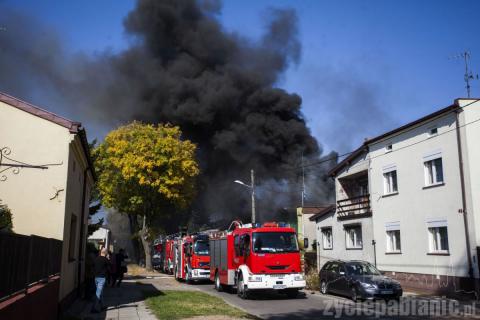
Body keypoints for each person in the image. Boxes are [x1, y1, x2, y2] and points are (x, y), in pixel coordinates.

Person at [91, 248, 110, 313]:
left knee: (100, 292)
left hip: (96, 278)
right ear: (106, 253)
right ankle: (94, 308)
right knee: (98, 293)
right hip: (102, 278)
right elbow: (109, 268)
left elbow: (92, 267)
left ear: (101, 252)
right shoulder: (106, 260)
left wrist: (94, 273)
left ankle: (102, 306)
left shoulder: (96, 259)